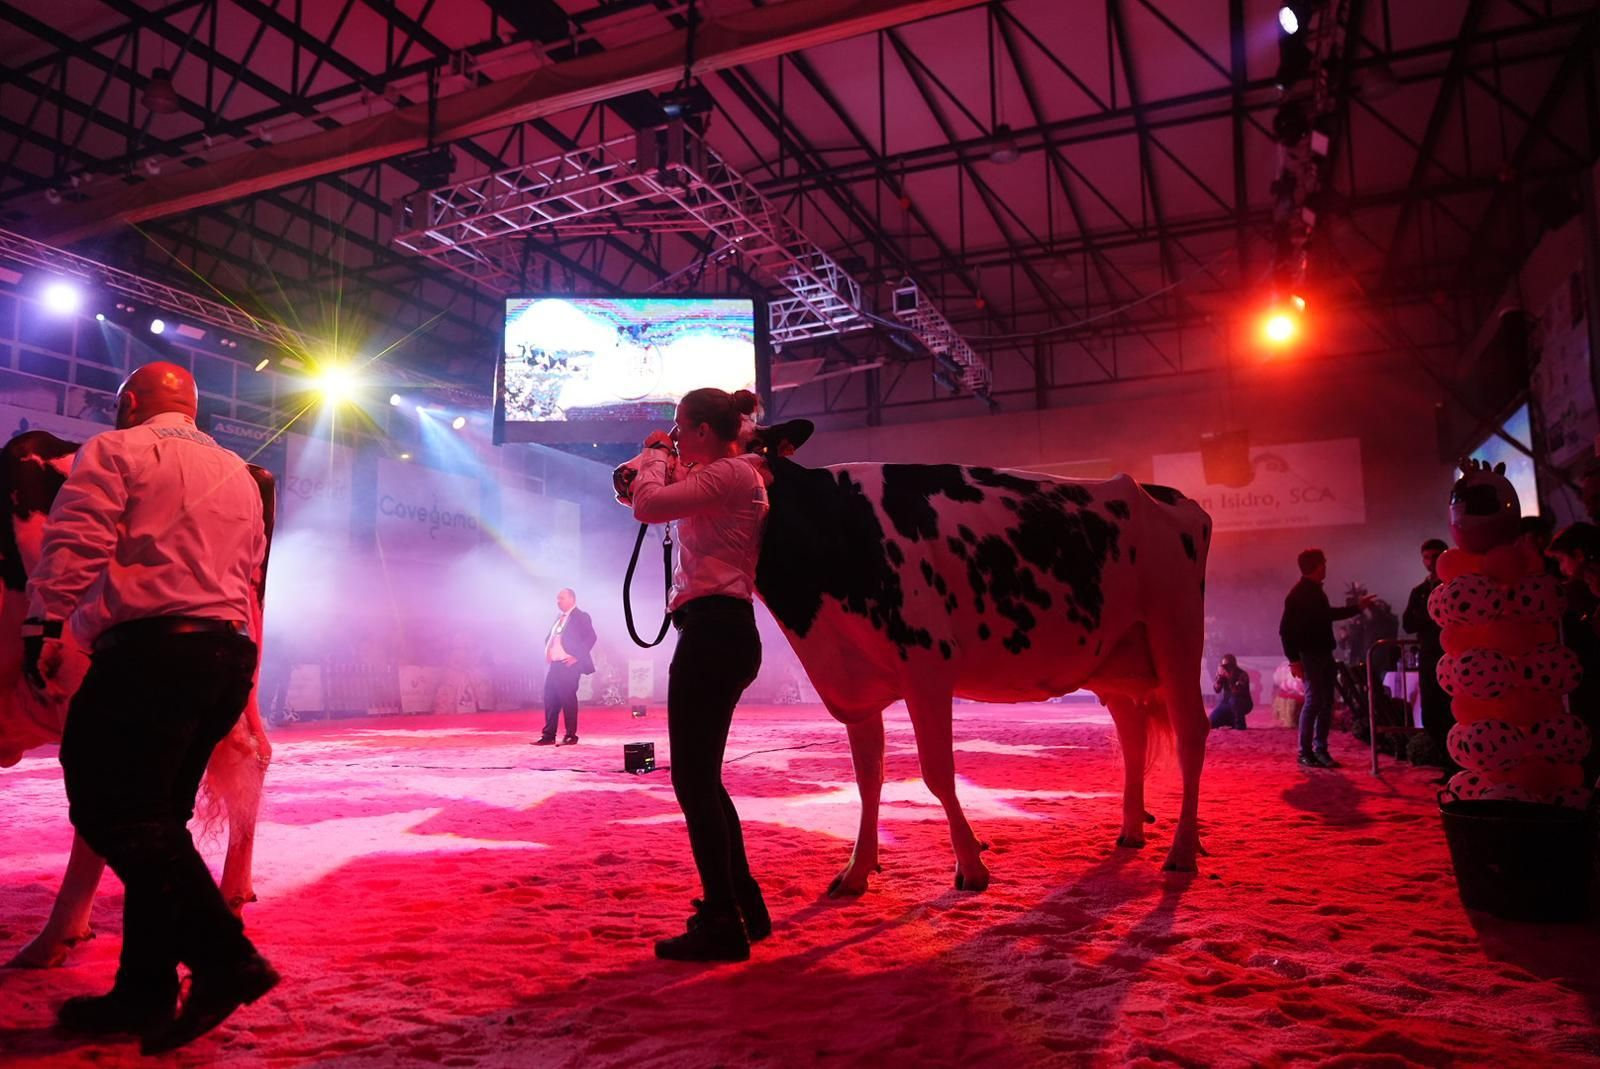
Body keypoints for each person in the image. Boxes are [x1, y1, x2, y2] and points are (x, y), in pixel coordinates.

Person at [22, 362, 275, 1053]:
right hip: (224, 657)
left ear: (129, 403)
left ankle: (225, 958)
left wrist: (45, 629)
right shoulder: (239, 474)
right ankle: (144, 988)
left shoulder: (116, 449)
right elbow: (248, 571)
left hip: (150, 654)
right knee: (160, 820)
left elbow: (73, 547)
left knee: (112, 809)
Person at [631, 387, 769, 963]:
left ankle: (721, 920)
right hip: (720, 630)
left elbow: (646, 505)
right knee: (704, 779)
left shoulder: (730, 474)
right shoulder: (727, 474)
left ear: (705, 430)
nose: (678, 436)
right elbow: (634, 492)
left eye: (682, 427)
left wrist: (657, 458)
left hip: (714, 632)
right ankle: (742, 905)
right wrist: (656, 463)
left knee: (692, 779)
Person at [1279, 548, 1377, 768]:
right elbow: (1285, 630)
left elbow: (1327, 615)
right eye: (1323, 563)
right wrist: (1294, 659)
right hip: (1311, 655)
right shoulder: (1298, 594)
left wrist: (1357, 607)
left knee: (1324, 703)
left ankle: (1319, 750)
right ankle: (1306, 751)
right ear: (1316, 566)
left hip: (1322, 654)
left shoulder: (1313, 591)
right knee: (1315, 701)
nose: (1326, 567)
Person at [1402, 538, 1453, 773]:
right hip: (1429, 656)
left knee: (1450, 709)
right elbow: (1408, 623)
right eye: (1427, 557)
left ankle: (1453, 765)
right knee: (1431, 712)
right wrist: (1430, 618)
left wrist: (1427, 618)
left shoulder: (1455, 586)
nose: (1431, 562)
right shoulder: (1419, 591)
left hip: (1452, 655)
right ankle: (1444, 762)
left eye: (1435, 556)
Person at [534, 588, 596, 746]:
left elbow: (591, 637)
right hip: (555, 665)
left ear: (571, 599)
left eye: (561, 598)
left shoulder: (581, 616)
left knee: (567, 699)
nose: (558, 601)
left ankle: (570, 735)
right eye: (557, 598)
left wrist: (577, 657)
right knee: (550, 698)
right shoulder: (559, 618)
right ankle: (548, 735)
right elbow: (552, 638)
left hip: (568, 665)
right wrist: (548, 650)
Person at [1208, 654, 1253, 729]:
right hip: (1226, 703)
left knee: (1234, 700)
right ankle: (1230, 720)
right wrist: (1219, 678)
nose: (1225, 668)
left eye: (1227, 666)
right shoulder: (1222, 674)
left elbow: (1236, 692)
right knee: (1210, 722)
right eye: (1223, 666)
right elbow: (1217, 690)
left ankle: (1240, 725)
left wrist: (1229, 677)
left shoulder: (1242, 674)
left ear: (1233, 665)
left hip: (1243, 702)